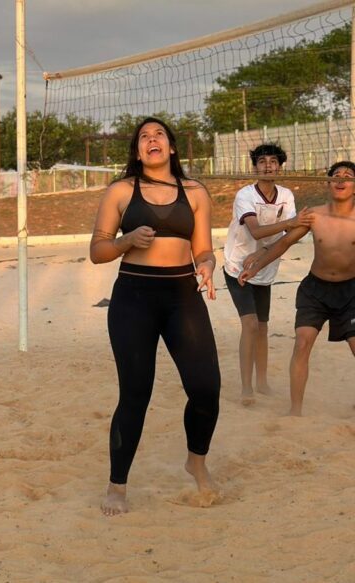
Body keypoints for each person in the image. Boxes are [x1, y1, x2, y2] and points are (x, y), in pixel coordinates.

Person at [89, 117, 221, 516]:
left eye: (158, 134)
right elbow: (97, 250)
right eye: (144, 136)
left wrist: (209, 266)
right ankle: (117, 486)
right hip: (133, 298)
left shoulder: (196, 192)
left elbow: (204, 248)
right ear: (137, 150)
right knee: (135, 394)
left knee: (206, 388)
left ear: (172, 147)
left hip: (183, 295)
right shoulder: (121, 191)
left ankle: (195, 460)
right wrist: (126, 240)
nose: (152, 139)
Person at [239, 161, 355, 416]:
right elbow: (284, 243)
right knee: (302, 343)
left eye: (348, 176)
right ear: (327, 183)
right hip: (315, 289)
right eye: (335, 175)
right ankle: (296, 411)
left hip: (351, 292)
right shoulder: (314, 214)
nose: (340, 179)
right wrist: (257, 266)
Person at [222, 144, 313, 405]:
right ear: (255, 167)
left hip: (265, 266)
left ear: (280, 166)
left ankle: (262, 382)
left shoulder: (285, 194)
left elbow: (291, 235)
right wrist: (290, 223)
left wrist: (263, 254)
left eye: (273, 161)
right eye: (262, 161)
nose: (268, 166)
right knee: (249, 325)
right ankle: (246, 388)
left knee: (262, 328)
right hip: (237, 266)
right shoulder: (245, 195)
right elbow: (257, 231)